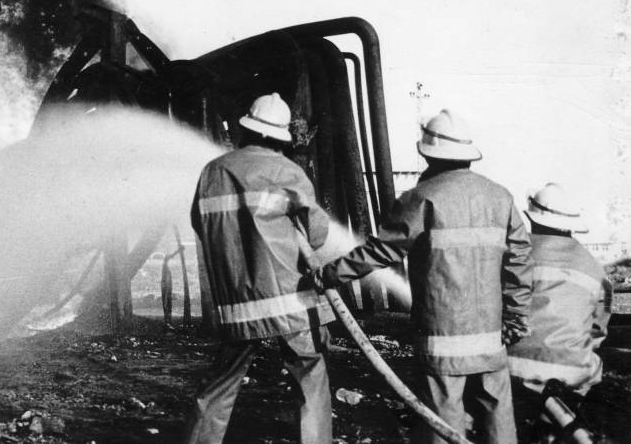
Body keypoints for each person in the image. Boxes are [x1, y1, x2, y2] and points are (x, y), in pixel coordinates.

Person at [324, 109, 533, 444]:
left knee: (442, 422)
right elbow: (520, 261)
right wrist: (516, 315)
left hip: (442, 336)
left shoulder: (421, 198)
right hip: (492, 335)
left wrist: (329, 274)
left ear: (427, 153)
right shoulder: (500, 197)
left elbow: (382, 251)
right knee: (497, 416)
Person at [183, 93, 339, 444]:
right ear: (280, 137)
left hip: (236, 300)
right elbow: (315, 235)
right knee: (310, 375)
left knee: (221, 383)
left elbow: (200, 224)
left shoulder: (213, 171)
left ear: (247, 130)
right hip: (291, 299)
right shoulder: (288, 172)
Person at [507, 183, 612, 440]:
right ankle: (550, 430)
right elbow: (598, 330)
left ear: (532, 218)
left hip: (512, 366)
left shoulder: (514, 254)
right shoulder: (593, 267)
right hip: (572, 370)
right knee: (587, 369)